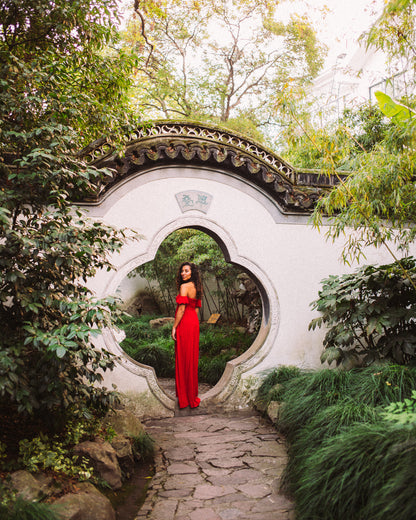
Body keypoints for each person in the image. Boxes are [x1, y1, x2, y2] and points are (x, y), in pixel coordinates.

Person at [171, 262, 203, 409]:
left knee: (183, 357)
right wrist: (193, 324)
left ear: (192, 273)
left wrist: (175, 327)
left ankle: (185, 396)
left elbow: (182, 309)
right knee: (191, 357)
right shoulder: (196, 287)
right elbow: (196, 309)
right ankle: (191, 395)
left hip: (185, 323)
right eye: (182, 271)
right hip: (193, 323)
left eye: (186, 271)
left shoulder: (184, 287)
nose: (183, 273)